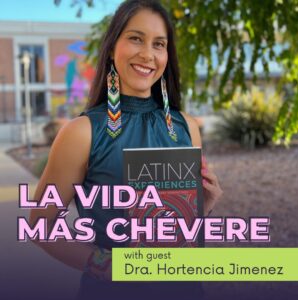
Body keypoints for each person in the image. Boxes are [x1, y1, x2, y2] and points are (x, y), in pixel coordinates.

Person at [29, 0, 223, 299]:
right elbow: (40, 226)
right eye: (135, 38)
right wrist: (103, 264)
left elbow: (178, 227)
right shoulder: (82, 133)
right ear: (111, 47)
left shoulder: (186, 126)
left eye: (159, 44)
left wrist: (201, 207)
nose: (148, 53)